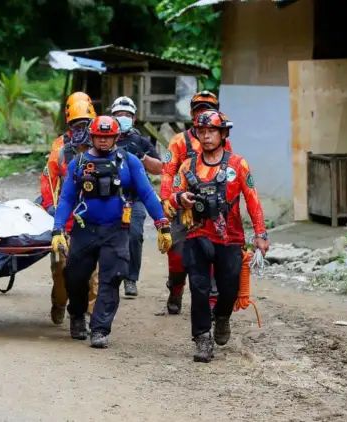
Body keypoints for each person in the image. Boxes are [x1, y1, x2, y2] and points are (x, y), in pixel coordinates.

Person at [53, 115, 172, 348]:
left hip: (117, 230)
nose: (103, 141)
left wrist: (162, 223)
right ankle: (77, 315)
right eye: (99, 137)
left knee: (112, 278)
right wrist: (58, 228)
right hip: (85, 228)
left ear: (116, 137)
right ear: (92, 136)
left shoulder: (129, 162)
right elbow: (67, 198)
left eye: (108, 137)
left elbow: (147, 193)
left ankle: (99, 329)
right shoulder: (78, 162)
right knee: (75, 276)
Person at [169, 110, 269, 362]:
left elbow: (253, 199)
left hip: (230, 238)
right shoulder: (187, 165)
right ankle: (202, 338)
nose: (206, 136)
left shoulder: (238, 164)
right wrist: (181, 198)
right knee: (200, 288)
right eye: (201, 132)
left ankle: (223, 316)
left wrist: (260, 232)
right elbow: (173, 193)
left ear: (223, 134)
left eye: (211, 131)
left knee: (229, 289)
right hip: (197, 235)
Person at [160, 90, 231, 314]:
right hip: (184, 205)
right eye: (199, 109)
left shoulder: (223, 142)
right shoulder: (179, 141)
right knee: (178, 255)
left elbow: (231, 171)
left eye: (208, 109)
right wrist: (166, 200)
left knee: (213, 253)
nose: (203, 113)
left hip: (212, 206)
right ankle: (176, 287)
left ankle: (210, 303)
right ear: (192, 114)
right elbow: (168, 172)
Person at [40, 94, 100, 325]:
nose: (81, 129)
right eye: (77, 124)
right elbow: (48, 181)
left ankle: (93, 317)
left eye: (85, 123)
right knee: (62, 269)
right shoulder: (61, 149)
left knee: (94, 272)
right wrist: (51, 209)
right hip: (65, 219)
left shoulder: (102, 145)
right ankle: (59, 302)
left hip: (93, 218)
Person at [110, 96, 162, 297]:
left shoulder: (140, 141)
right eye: (119, 114)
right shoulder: (102, 137)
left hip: (135, 198)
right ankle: (110, 276)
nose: (123, 118)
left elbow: (159, 168)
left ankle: (130, 279)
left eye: (127, 115)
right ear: (112, 116)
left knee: (134, 235)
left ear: (134, 118)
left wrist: (141, 156)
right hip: (109, 197)